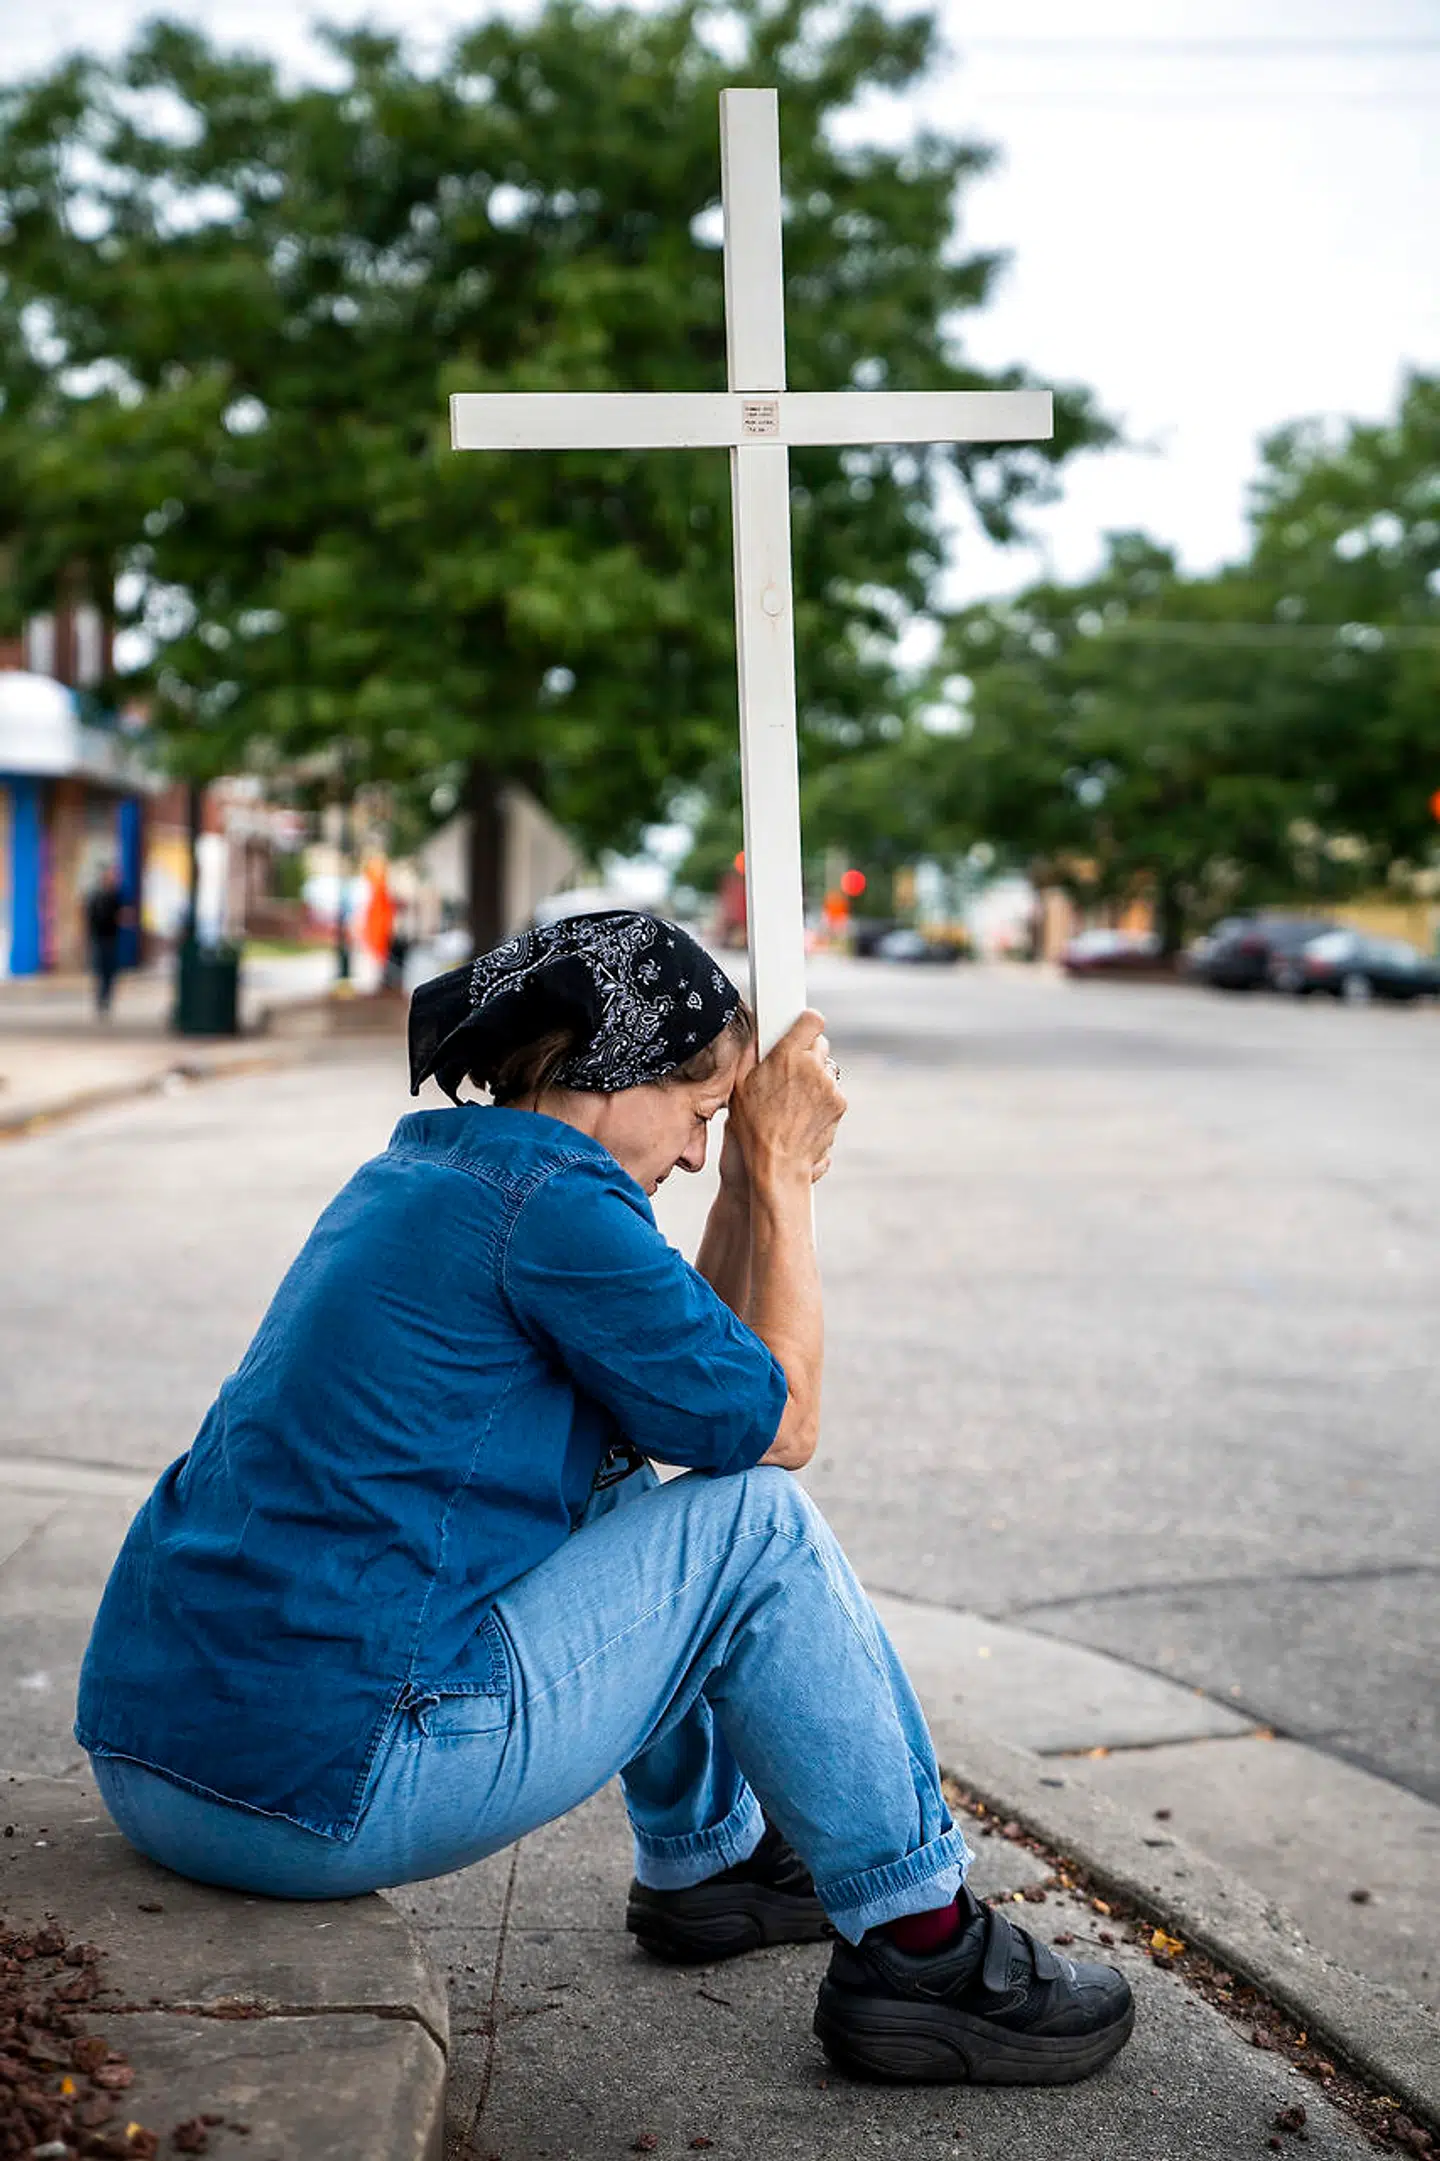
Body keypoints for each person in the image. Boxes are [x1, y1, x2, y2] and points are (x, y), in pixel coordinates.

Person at [75, 911, 1133, 2088]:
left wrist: (747, 1176)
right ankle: (926, 1954)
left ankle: (708, 1865)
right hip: (321, 1790)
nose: (695, 1155)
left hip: (161, 1757)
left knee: (622, 1475)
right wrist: (778, 1174)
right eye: (698, 1114)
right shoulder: (558, 1210)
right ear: (615, 1072)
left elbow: (708, 1393)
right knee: (755, 1531)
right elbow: (782, 1434)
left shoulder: (435, 1169)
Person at [84, 864, 131, 1017]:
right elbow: (90, 917)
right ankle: (101, 1000)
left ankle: (106, 1000)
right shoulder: (96, 896)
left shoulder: (117, 896)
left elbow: (125, 915)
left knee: (110, 972)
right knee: (100, 970)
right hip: (99, 938)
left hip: (111, 938)